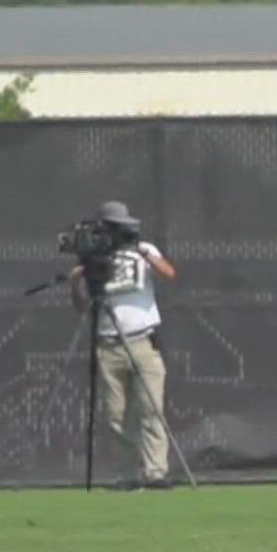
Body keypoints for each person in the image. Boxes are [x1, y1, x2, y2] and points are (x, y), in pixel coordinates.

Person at [70, 200, 177, 491]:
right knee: (115, 415)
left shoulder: (145, 250)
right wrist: (75, 281)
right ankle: (127, 474)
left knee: (151, 409)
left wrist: (142, 250)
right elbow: (82, 306)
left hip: (143, 340)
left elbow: (169, 274)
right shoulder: (93, 257)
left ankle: (155, 472)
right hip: (108, 344)